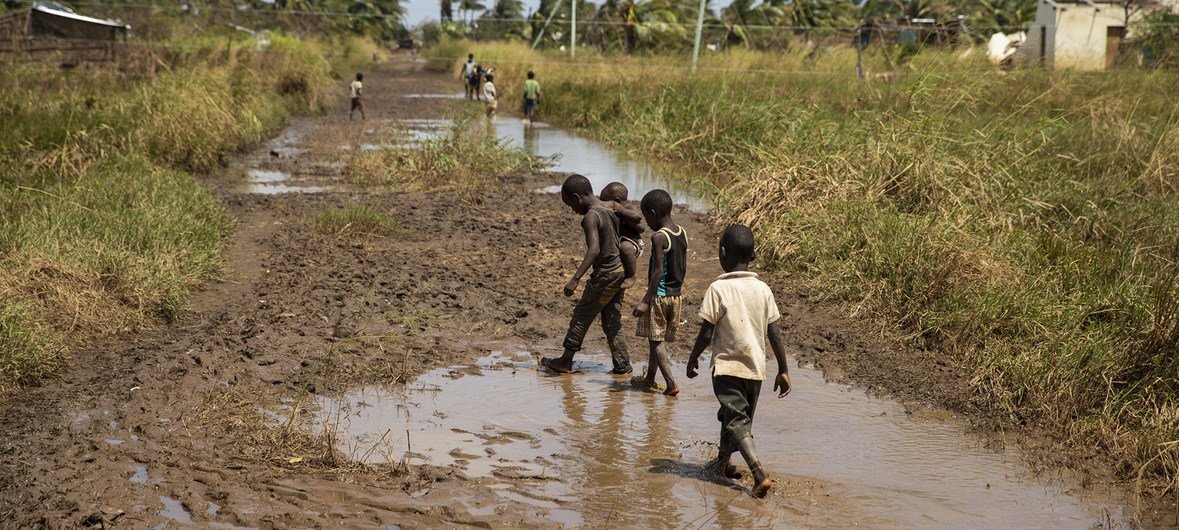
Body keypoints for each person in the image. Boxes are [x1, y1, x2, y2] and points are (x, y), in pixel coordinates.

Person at [686, 224, 791, 498]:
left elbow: (706, 331)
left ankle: (758, 473)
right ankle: (722, 464)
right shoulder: (763, 289)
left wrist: (693, 357)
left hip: (727, 367)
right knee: (735, 418)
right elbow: (775, 333)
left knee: (735, 420)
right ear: (753, 255)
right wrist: (783, 370)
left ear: (722, 253)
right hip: (755, 369)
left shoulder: (718, 288)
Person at [541, 174, 633, 375]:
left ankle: (565, 361)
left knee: (582, 314)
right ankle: (622, 364)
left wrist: (575, 279)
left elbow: (594, 250)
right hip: (620, 271)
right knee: (611, 319)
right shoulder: (611, 206)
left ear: (577, 197)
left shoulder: (591, 216)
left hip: (606, 273)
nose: (573, 211)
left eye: (571, 205)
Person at [631, 189, 686, 397]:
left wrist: (646, 300)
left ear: (652, 213)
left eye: (646, 217)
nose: (647, 222)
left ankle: (671, 384)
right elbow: (683, 266)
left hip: (659, 296)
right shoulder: (681, 232)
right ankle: (650, 379)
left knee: (656, 342)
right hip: (675, 295)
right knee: (655, 339)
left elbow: (657, 271)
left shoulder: (658, 237)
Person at [599, 182, 644, 290]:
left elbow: (641, 226)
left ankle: (631, 276)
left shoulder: (627, 208)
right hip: (619, 242)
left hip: (633, 243)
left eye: (605, 202)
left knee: (625, 247)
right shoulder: (612, 213)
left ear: (617, 202)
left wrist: (623, 212)